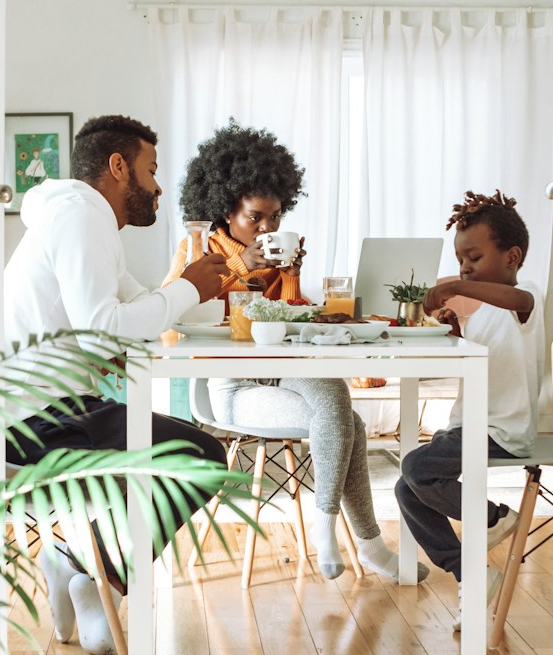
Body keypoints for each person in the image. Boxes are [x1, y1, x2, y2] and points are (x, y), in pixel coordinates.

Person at [4, 114, 231, 655]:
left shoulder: (80, 218)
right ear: (117, 166)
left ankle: (79, 565)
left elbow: (127, 309)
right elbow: (107, 326)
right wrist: (187, 288)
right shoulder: (82, 219)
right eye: (151, 171)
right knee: (201, 456)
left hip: (48, 405)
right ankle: (88, 573)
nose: (157, 188)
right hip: (30, 421)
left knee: (185, 449)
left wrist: (180, 293)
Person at [164, 121, 427, 583]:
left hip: (283, 370)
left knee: (335, 398)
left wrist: (290, 277)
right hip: (233, 384)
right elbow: (172, 318)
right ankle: (362, 542)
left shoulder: (275, 253)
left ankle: (329, 527)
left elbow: (285, 322)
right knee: (348, 420)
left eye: (276, 216)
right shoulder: (199, 249)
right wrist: (238, 265)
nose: (267, 227)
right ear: (226, 210)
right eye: (255, 218)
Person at [394, 189, 545, 627]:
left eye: (474, 258)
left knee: (417, 469)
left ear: (512, 257)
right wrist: (456, 326)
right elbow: (480, 361)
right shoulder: (482, 315)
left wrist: (456, 288)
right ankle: (471, 574)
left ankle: (496, 517)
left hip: (503, 431)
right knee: (407, 489)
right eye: (461, 260)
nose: (464, 268)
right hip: (468, 426)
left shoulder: (525, 298)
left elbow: (517, 303)